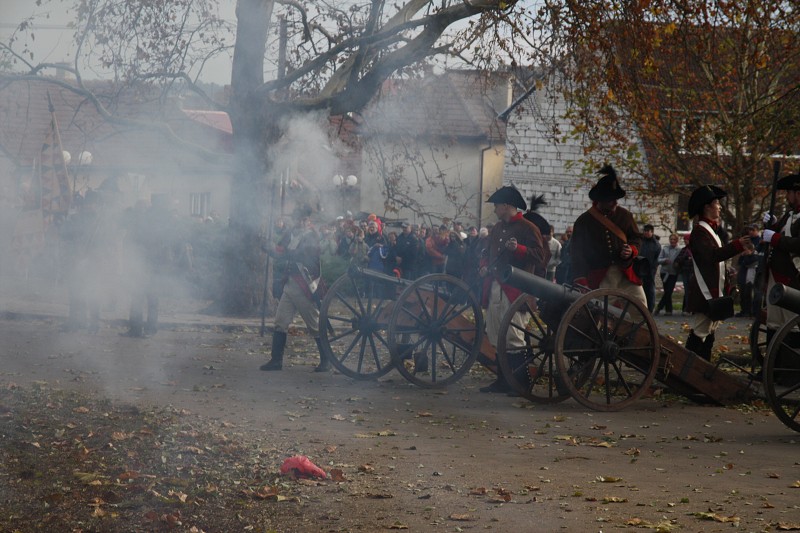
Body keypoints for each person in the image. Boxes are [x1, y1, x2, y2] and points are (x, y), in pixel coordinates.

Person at [479, 185, 548, 393]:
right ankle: (503, 381)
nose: (495, 210)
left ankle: (521, 383)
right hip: (495, 286)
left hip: (517, 290)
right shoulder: (498, 228)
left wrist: (519, 249)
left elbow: (541, 256)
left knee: (513, 336)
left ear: (507, 206)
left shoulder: (528, 228)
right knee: (495, 334)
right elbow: (487, 252)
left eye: (497, 206)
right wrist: (483, 266)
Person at [684, 185, 751, 361]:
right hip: (703, 290)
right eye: (716, 203)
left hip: (712, 288)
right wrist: (737, 245)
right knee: (700, 331)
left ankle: (702, 367)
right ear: (707, 207)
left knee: (710, 330)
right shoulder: (699, 231)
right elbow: (711, 256)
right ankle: (689, 369)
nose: (720, 207)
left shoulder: (709, 230)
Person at [260, 207, 330, 372]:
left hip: (304, 285)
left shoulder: (311, 236)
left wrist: (279, 251)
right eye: (298, 219)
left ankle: (327, 360)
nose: (301, 222)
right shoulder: (291, 233)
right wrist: (267, 247)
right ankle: (276, 361)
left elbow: (295, 253)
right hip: (290, 283)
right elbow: (280, 250)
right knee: (280, 322)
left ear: (308, 221)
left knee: (314, 325)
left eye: (303, 219)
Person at [570, 165, 646, 307]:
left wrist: (631, 250)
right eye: (611, 199)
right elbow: (577, 253)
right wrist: (581, 279)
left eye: (615, 199)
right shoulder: (584, 221)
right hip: (600, 275)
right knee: (601, 313)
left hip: (626, 273)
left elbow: (636, 237)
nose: (615, 202)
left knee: (640, 306)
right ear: (600, 200)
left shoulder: (625, 216)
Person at [762, 173, 800, 347]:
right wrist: (772, 223)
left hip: (793, 276)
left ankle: (788, 368)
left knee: (790, 321)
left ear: (797, 193)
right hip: (777, 274)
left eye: (789, 193)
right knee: (774, 321)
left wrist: (775, 238)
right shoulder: (790, 214)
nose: (787, 197)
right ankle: (773, 367)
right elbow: (779, 231)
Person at [735, 225, 760, 317]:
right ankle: (745, 310)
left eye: (752, 230)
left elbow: (756, 258)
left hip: (753, 271)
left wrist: (749, 254)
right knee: (744, 293)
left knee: (754, 294)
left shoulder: (759, 242)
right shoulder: (747, 241)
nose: (751, 232)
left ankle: (753, 311)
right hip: (745, 271)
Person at [655, 233, 681, 316]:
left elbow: (681, 261)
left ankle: (659, 307)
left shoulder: (680, 250)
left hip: (673, 273)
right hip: (664, 273)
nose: (672, 241)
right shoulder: (665, 248)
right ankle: (668, 310)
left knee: (669, 291)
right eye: (671, 239)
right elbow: (658, 260)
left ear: (677, 240)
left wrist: (678, 264)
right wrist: (664, 260)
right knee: (667, 291)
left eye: (674, 239)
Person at [638, 224, 661, 312]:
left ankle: (650, 309)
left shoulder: (656, 244)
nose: (646, 233)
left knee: (650, 290)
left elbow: (657, 258)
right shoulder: (641, 241)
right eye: (645, 231)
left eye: (648, 231)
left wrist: (653, 268)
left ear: (652, 232)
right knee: (639, 289)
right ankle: (641, 308)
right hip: (639, 268)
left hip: (650, 270)